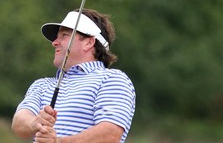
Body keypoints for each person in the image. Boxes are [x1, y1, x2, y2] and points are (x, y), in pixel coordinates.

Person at [12, 8, 136, 143]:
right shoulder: (42, 85)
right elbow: (19, 123)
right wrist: (35, 123)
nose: (54, 43)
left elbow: (110, 135)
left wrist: (58, 142)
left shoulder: (112, 79)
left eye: (64, 35)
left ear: (88, 42)